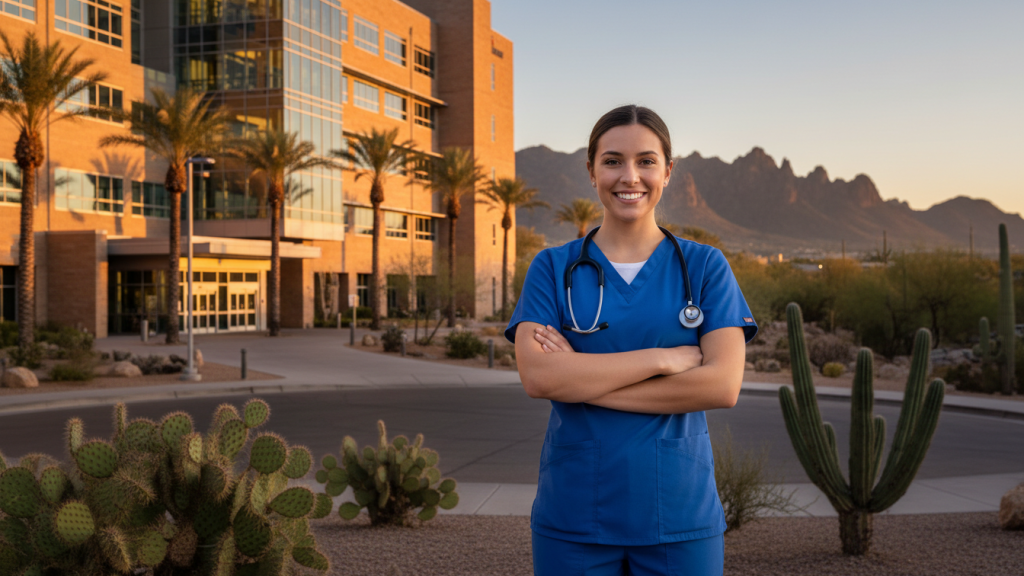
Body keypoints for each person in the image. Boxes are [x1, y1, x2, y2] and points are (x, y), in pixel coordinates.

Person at [504, 105, 758, 576]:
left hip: (679, 516)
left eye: (646, 161)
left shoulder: (705, 267)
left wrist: (580, 380)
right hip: (574, 515)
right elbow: (539, 377)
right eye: (612, 161)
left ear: (668, 171)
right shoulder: (552, 268)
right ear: (591, 171)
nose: (630, 176)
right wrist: (663, 359)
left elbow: (721, 386)